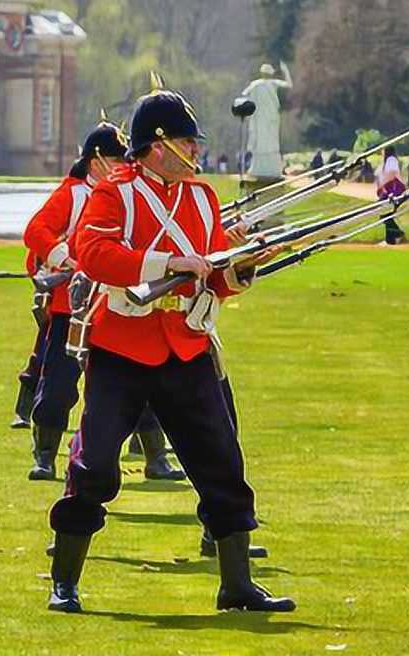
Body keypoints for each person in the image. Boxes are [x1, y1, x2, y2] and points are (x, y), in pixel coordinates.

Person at [45, 86, 293, 614]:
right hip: (122, 347)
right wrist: (167, 264)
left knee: (222, 464)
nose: (196, 151)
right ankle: (64, 580)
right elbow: (95, 254)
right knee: (95, 469)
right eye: (187, 141)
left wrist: (241, 267)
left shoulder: (202, 197)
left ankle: (237, 585)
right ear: (159, 145)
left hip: (185, 346)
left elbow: (212, 272)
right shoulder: (115, 192)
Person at [22, 115, 180, 481]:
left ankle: (156, 456)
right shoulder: (73, 194)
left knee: (137, 381)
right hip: (73, 305)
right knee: (59, 385)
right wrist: (68, 259)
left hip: (118, 306)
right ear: (97, 162)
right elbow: (37, 231)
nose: (126, 165)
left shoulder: (132, 194)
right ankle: (45, 454)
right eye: (118, 160)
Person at [375, 146, 406, 245]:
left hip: (392, 190)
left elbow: (391, 174)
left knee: (384, 213)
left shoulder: (391, 160)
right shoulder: (386, 162)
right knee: (387, 214)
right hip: (387, 190)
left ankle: (397, 233)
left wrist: (383, 185)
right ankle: (390, 240)